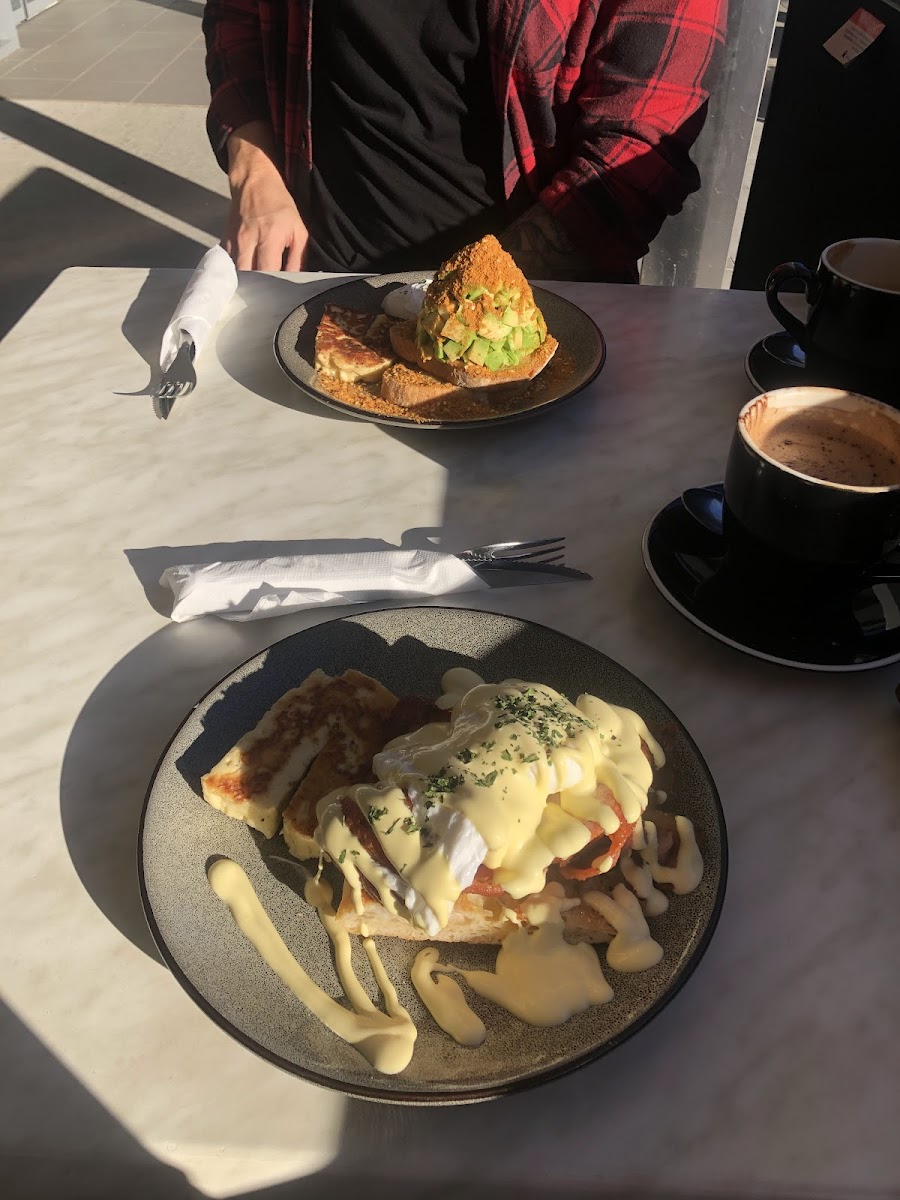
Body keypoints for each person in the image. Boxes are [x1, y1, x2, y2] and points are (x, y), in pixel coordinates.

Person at [203, 1, 726, 283]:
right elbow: (238, 18)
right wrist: (255, 174)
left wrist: (459, 303)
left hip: (537, 309)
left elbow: (638, 146)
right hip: (313, 266)